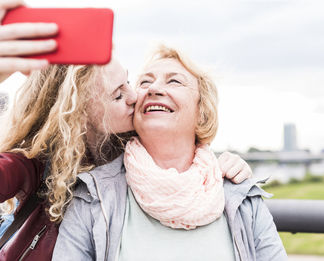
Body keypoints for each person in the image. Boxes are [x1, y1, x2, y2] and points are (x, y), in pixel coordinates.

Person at [0, 1, 253, 259]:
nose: (135, 96)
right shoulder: (34, 165)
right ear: (78, 117)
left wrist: (219, 164)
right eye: (118, 95)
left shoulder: (133, 154)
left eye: (129, 82)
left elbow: (179, 145)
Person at [53, 46, 287, 260]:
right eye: (144, 82)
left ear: (202, 112)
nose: (154, 89)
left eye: (174, 81)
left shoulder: (241, 197)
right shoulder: (93, 196)